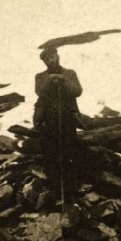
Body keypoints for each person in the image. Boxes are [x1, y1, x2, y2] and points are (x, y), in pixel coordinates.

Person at [33, 47, 84, 205]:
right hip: (50, 122)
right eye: (47, 59)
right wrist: (51, 80)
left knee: (69, 153)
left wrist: (63, 81)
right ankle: (55, 191)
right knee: (51, 155)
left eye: (53, 57)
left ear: (57, 56)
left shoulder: (70, 73)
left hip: (68, 119)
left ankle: (70, 192)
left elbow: (77, 91)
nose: (51, 61)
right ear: (44, 62)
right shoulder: (40, 77)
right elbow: (40, 92)